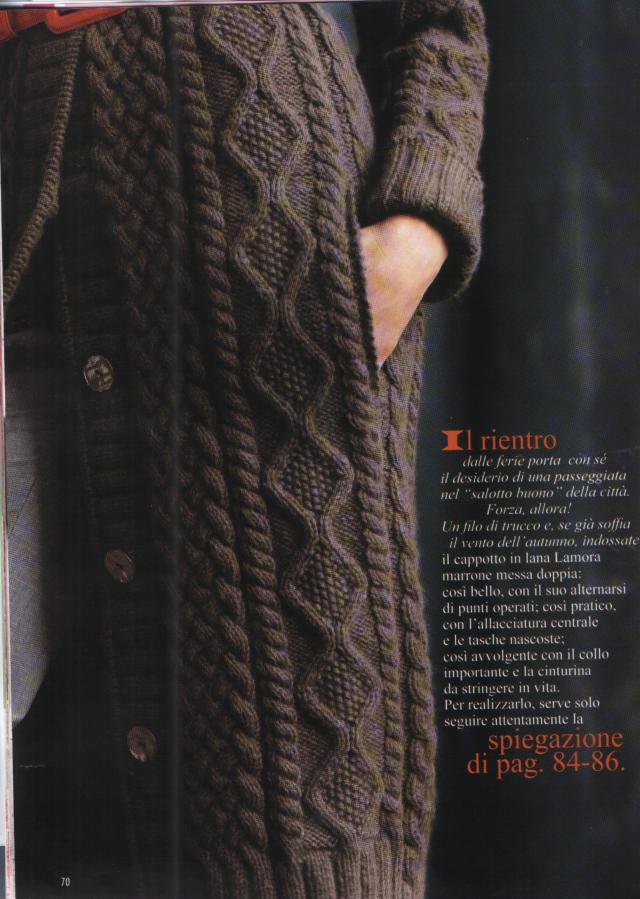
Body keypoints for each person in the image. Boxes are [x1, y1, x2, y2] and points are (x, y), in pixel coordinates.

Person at [0, 3, 488, 897]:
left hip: (260, 238)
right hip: (26, 229)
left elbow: (438, 19)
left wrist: (420, 221)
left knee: (285, 794)